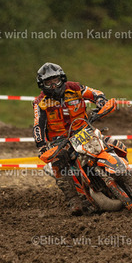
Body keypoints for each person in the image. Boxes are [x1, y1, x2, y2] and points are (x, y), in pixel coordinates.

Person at [33, 62, 109, 215]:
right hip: (60, 141)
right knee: (58, 162)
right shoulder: (40, 102)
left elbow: (94, 93)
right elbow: (38, 126)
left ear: (62, 79)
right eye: (48, 82)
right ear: (42, 85)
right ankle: (73, 199)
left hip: (83, 130)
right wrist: (41, 145)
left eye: (55, 81)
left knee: (109, 143)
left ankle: (123, 173)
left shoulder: (74, 88)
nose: (53, 85)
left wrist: (100, 100)